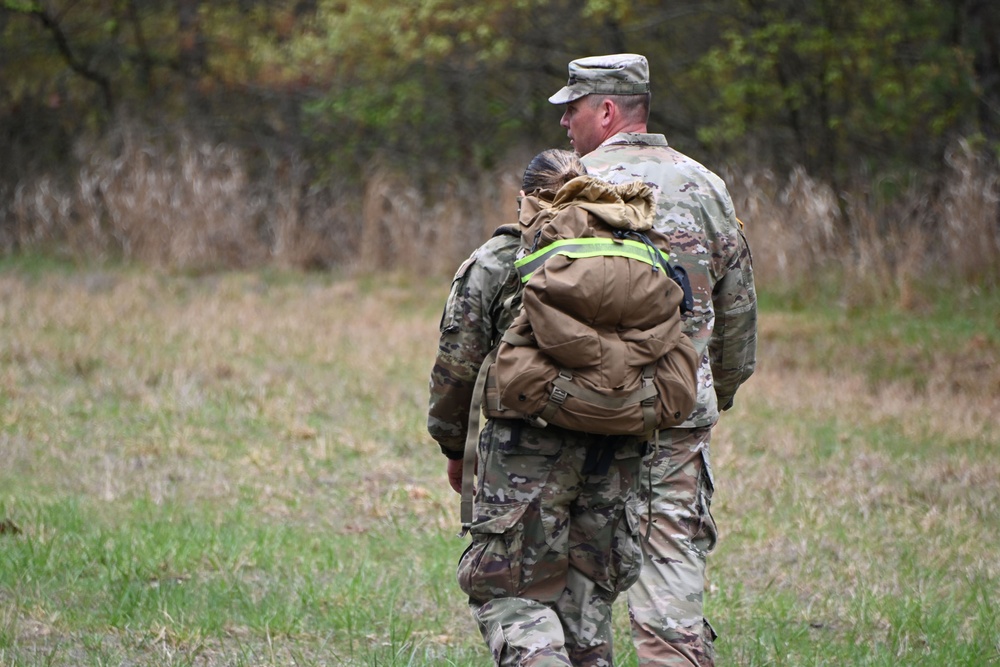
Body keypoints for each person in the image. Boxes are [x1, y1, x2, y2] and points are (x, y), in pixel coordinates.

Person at [547, 54, 758, 667]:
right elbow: (738, 312)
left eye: (574, 109)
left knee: (577, 586)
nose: (565, 124)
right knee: (669, 581)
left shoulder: (566, 187)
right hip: (675, 419)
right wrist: (710, 390)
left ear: (607, 111)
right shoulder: (707, 186)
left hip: (584, 417)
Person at [428, 149, 658, 666]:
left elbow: (457, 363)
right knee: (586, 596)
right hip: (618, 448)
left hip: (527, 449)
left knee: (510, 591)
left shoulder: (498, 259)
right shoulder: (633, 251)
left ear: (524, 198)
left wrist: (452, 446)